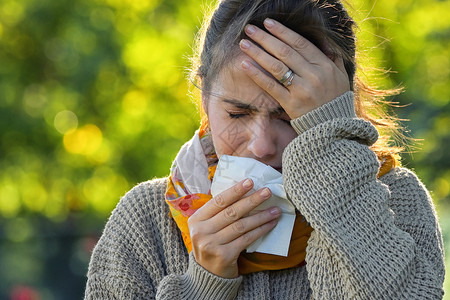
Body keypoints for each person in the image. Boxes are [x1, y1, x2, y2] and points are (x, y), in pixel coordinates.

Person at [84, 0, 445, 299]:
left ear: (340, 106)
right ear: (204, 97)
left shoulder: (396, 198)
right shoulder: (144, 223)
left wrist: (333, 156)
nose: (261, 146)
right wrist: (202, 286)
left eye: (288, 117)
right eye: (238, 113)